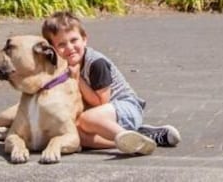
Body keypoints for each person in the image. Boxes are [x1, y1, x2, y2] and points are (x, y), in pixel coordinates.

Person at [41, 10, 180, 156]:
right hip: (101, 119)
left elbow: (101, 103)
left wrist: (77, 79)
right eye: (61, 44)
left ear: (84, 39)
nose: (70, 47)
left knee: (85, 119)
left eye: (74, 40)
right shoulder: (61, 67)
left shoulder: (96, 63)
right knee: (75, 134)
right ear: (53, 49)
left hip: (126, 107)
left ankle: (127, 135)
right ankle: (137, 140)